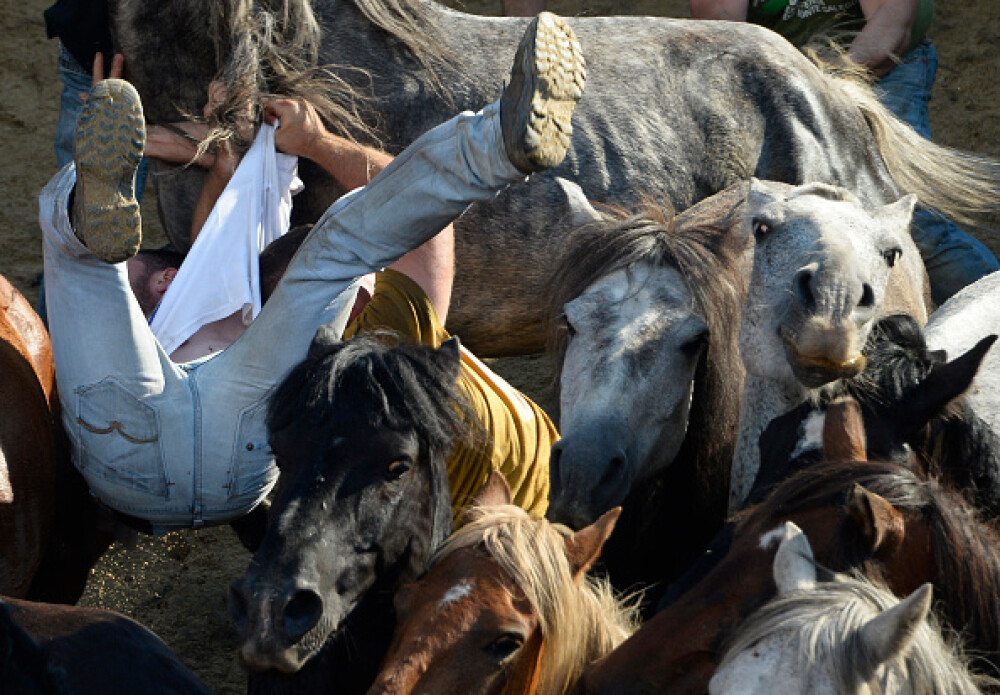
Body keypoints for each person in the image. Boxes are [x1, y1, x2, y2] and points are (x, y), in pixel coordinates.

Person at [39, 12, 584, 531]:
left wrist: (186, 157)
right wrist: (303, 147)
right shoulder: (371, 334)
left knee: (81, 253)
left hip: (123, 449)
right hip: (243, 468)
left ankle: (82, 205)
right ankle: (494, 147)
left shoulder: (181, 323)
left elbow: (212, 264)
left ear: (167, 281)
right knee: (339, 243)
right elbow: (414, 219)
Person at [689, 0, 1000, 305]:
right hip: (782, 78)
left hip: (878, 64)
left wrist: (825, 82)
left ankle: (989, 310)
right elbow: (723, 30)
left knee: (904, 215)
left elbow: (892, 27)